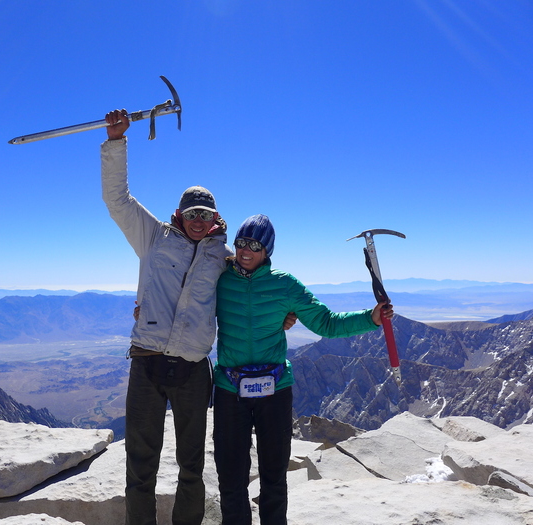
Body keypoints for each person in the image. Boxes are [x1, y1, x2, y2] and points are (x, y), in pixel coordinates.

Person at [101, 111, 296, 525]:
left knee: (192, 467)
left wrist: (283, 312)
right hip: (148, 361)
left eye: (205, 215)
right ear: (178, 214)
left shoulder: (222, 258)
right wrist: (116, 142)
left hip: (193, 371)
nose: (198, 221)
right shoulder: (152, 237)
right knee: (140, 465)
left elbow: (251, 286)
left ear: (215, 219)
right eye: (192, 214)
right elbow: (118, 200)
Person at [213, 214, 394, 525]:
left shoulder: (286, 285)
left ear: (266, 250)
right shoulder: (220, 279)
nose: (245, 250)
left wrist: (371, 318)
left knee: (274, 476)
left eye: (254, 245)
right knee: (231, 478)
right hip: (231, 390)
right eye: (241, 242)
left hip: (275, 390)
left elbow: (326, 322)